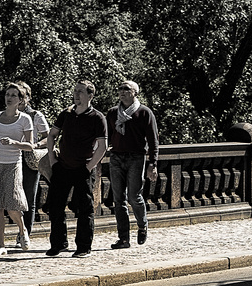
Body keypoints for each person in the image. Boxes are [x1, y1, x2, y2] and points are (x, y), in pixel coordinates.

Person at [43, 79, 108, 257]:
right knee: (55, 206)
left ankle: (83, 247)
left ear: (90, 95)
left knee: (84, 209)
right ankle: (58, 243)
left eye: (80, 92)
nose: (76, 95)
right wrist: (52, 159)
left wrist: (88, 167)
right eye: (75, 91)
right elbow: (52, 136)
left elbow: (102, 147)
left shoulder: (97, 117)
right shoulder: (66, 114)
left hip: (83, 169)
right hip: (62, 167)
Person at [0, 83, 35, 256]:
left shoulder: (25, 119)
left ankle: (22, 230)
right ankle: (1, 245)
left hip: (13, 164)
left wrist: (14, 143)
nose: (9, 97)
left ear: (20, 100)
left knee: (12, 205)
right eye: (7, 94)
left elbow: (30, 146)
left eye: (14, 95)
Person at [107, 78, 160, 249]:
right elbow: (106, 136)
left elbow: (153, 140)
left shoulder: (144, 113)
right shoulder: (113, 113)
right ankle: (123, 238)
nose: (122, 91)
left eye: (127, 89)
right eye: (120, 88)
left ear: (135, 93)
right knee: (118, 200)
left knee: (134, 197)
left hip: (136, 158)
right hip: (115, 157)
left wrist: (153, 163)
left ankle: (142, 225)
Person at [15, 80, 51, 233]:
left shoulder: (36, 115)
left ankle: (25, 233)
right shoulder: (7, 115)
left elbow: (48, 137)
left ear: (28, 97)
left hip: (29, 159)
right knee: (13, 198)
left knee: (29, 196)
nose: (19, 98)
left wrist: (34, 146)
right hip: (11, 157)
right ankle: (19, 229)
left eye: (22, 95)